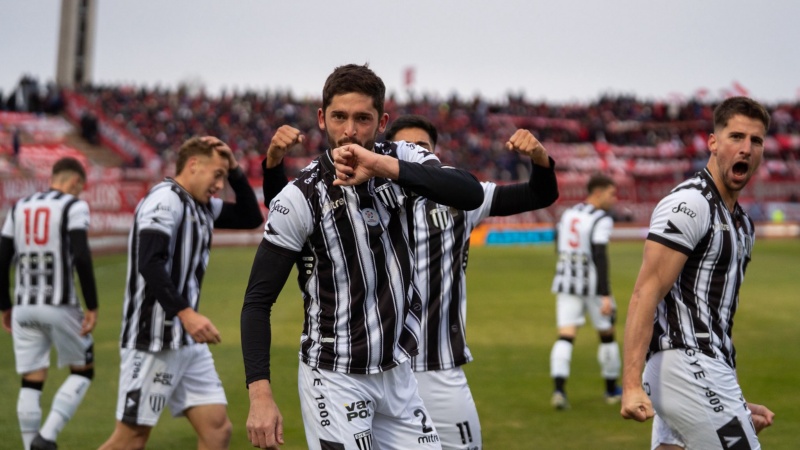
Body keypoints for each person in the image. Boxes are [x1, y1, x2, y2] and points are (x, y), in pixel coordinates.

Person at [260, 114, 558, 449]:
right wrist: (272, 167)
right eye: (407, 148)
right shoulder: (356, 202)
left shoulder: (459, 203)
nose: (414, 154)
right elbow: (285, 216)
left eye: (423, 149)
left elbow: (538, 195)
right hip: (371, 367)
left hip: (437, 365)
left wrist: (540, 160)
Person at [241, 64, 485, 450]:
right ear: (322, 119)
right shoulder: (301, 196)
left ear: (382, 121)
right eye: (339, 117)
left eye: (362, 119)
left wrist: (380, 166)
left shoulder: (402, 157)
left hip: (397, 373)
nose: (349, 130)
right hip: (336, 375)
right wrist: (260, 395)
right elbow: (257, 302)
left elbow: (469, 192)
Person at [620, 96, 776, 449]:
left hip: (702, 371)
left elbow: (712, 317)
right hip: (683, 363)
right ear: (713, 142)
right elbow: (646, 292)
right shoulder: (690, 204)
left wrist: (735, 405)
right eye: (736, 137)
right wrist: (630, 385)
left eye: (756, 140)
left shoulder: (742, 224)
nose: (746, 148)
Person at [98, 136, 262, 450]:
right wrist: (186, 314)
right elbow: (150, 262)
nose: (219, 184)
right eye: (217, 175)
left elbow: (251, 217)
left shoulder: (201, 205)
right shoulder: (165, 200)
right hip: (154, 339)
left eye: (223, 178)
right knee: (130, 439)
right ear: (193, 165)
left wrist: (236, 170)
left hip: (186, 342)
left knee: (217, 430)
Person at [0, 157, 98, 450]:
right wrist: (92, 305)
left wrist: (5, 305)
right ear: (74, 182)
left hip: (23, 307)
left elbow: (2, 259)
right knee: (83, 370)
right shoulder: (73, 205)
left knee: (31, 379)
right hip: (60, 304)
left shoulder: (19, 208)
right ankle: (47, 437)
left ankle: (31, 445)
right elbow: (81, 255)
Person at [549, 173, 621, 410]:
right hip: (592, 285)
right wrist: (605, 294)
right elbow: (600, 255)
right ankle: (611, 391)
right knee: (607, 334)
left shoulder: (568, 213)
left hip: (565, 281)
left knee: (565, 336)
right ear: (598, 192)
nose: (614, 198)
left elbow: (557, 240)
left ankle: (559, 391)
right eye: (611, 193)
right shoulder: (601, 218)